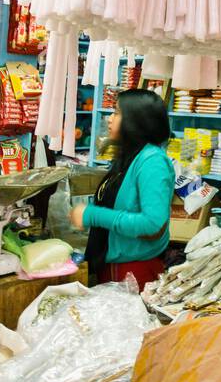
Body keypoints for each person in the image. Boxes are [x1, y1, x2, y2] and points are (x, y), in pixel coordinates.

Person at [68, 88, 175, 289]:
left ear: (135, 120)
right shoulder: (130, 155)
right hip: (113, 267)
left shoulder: (153, 162)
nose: (109, 119)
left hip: (134, 274)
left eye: (116, 113)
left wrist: (93, 215)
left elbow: (152, 225)